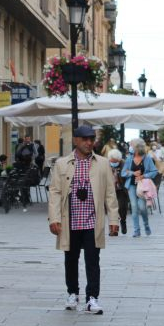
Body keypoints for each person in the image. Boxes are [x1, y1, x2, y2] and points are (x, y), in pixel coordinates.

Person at [48, 126, 120, 314]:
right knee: (70, 259)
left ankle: (92, 298)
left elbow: (110, 194)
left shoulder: (103, 163)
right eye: (85, 139)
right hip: (69, 220)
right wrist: (54, 218)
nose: (89, 143)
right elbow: (55, 192)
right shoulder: (62, 164)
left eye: (92, 139)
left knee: (92, 260)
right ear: (75, 140)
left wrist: (114, 220)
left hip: (91, 220)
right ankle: (72, 293)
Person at [122, 138, 158, 237]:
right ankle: (136, 230)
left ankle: (146, 225)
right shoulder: (129, 158)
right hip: (132, 186)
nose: (130, 147)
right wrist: (133, 173)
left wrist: (143, 176)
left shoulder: (147, 158)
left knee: (142, 207)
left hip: (143, 187)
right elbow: (123, 172)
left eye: (132, 145)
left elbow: (154, 171)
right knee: (134, 207)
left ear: (137, 147)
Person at [107, 149, 130, 234]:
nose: (114, 163)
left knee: (122, 208)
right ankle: (113, 230)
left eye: (116, 161)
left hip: (121, 189)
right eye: (112, 161)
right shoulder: (106, 164)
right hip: (110, 190)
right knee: (112, 210)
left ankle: (123, 221)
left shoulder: (124, 164)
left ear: (119, 160)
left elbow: (127, 176)